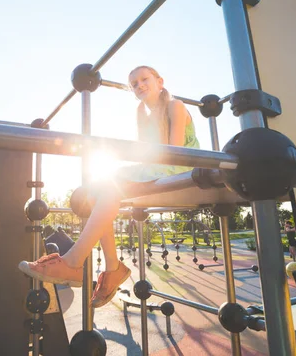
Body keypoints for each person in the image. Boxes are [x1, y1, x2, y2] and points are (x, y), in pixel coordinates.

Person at [19, 66, 200, 308]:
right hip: (155, 165)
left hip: (179, 165)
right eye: (134, 84)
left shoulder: (174, 106)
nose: (139, 86)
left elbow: (174, 152)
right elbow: (143, 152)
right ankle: (111, 266)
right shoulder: (140, 111)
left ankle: (75, 262)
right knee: (97, 191)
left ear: (160, 81)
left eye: (144, 79)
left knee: (109, 187)